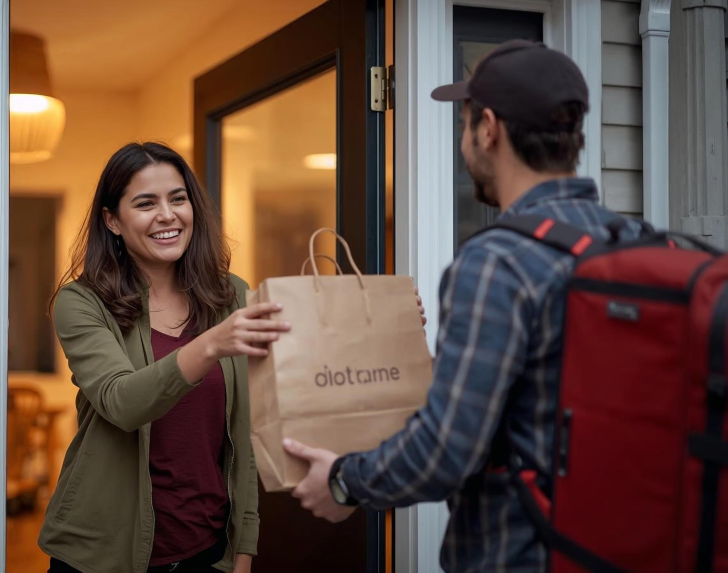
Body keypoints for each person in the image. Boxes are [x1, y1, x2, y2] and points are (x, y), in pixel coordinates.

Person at [283, 40, 645, 572]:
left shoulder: (497, 262)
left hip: (520, 552)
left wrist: (344, 481)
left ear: (489, 129)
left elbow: (447, 449)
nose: (464, 139)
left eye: (465, 122)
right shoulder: (636, 240)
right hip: (625, 542)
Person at [38, 141, 291, 573]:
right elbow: (122, 402)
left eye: (178, 198)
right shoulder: (81, 303)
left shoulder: (231, 295)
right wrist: (210, 344)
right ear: (112, 220)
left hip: (207, 551)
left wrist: (243, 547)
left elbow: (248, 428)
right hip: (101, 556)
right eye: (145, 203)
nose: (168, 215)